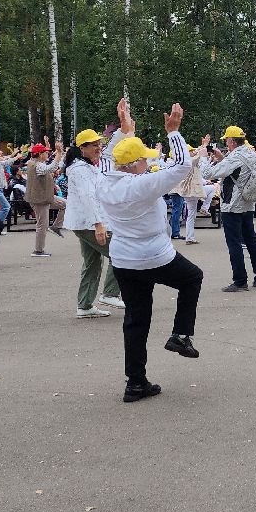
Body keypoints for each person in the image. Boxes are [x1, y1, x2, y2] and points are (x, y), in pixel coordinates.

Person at [94, 99, 203, 404]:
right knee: (192, 278)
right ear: (135, 164)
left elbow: (106, 156)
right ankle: (181, 335)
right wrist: (173, 132)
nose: (148, 163)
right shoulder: (143, 185)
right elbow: (182, 165)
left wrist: (124, 130)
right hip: (154, 255)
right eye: (144, 159)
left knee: (136, 320)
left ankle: (135, 383)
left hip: (125, 259)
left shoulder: (105, 180)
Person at [61, 126, 125, 317]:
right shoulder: (80, 169)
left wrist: (123, 128)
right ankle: (110, 293)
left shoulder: (87, 165)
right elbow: (87, 197)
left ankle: (85, 305)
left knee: (92, 262)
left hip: (84, 222)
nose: (99, 147)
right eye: (94, 145)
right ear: (82, 148)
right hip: (88, 223)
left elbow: (110, 149)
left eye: (99, 143)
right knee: (120, 253)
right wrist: (98, 224)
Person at [200, 124, 256, 291]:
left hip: (232, 205)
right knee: (251, 240)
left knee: (234, 243)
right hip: (248, 203)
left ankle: (240, 280)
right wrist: (223, 157)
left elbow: (208, 174)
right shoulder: (251, 153)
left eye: (227, 140)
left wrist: (203, 157)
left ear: (231, 141)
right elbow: (236, 171)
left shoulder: (234, 157)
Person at [25, 143, 67, 256]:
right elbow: (51, 168)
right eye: (45, 152)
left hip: (45, 196)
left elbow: (48, 168)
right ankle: (38, 250)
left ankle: (56, 227)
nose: (47, 153)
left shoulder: (35, 162)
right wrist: (59, 153)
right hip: (39, 199)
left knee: (65, 204)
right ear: (39, 154)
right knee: (42, 225)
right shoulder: (37, 165)